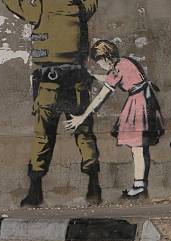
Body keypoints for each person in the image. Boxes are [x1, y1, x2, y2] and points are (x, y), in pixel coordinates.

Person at [0, 0, 102, 207]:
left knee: (43, 137)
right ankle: (94, 186)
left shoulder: (39, 7)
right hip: (76, 84)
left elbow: (13, 4)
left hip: (49, 86)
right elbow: (92, 4)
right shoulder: (78, 7)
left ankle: (35, 190)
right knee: (83, 133)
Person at [64, 40, 163, 199]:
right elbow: (114, 77)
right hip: (146, 99)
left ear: (105, 58)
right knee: (139, 147)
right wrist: (94, 75)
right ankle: (139, 183)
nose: (100, 65)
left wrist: (82, 117)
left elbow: (101, 97)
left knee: (137, 148)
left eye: (99, 62)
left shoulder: (117, 70)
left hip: (138, 103)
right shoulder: (125, 62)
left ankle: (139, 184)